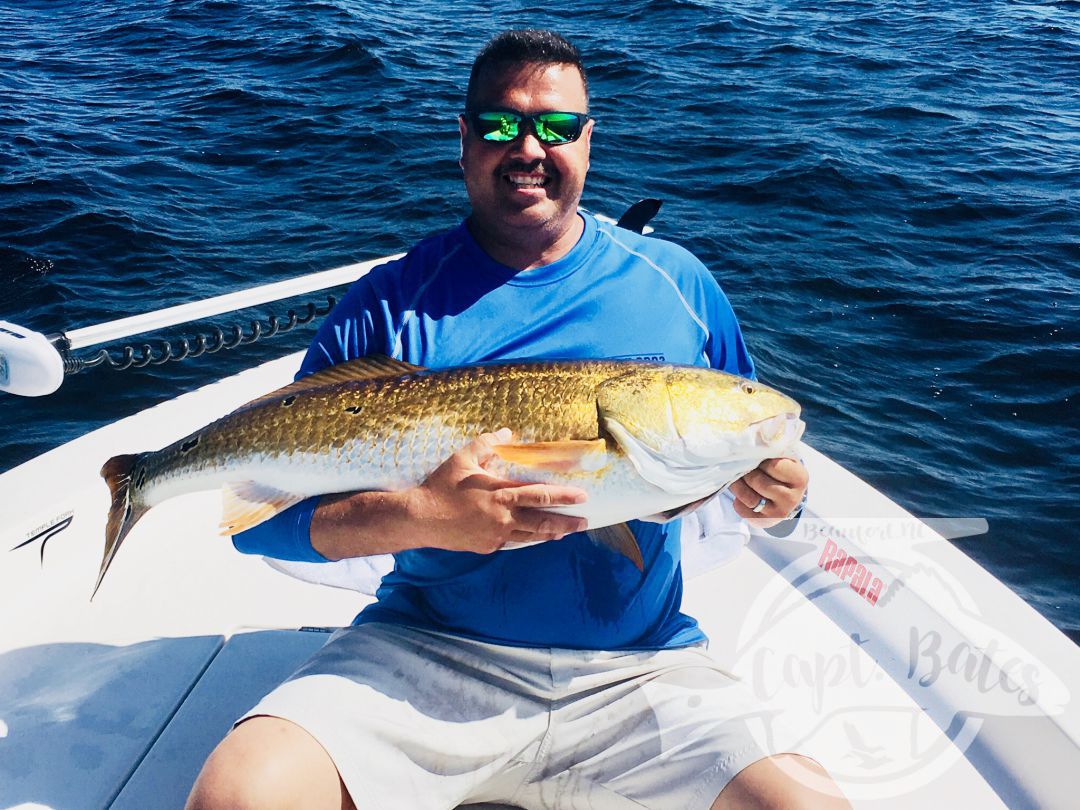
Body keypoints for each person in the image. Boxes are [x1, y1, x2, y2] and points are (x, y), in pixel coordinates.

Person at [187, 29, 847, 810]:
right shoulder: (388, 303)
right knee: (239, 796)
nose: (530, 147)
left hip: (637, 668)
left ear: (589, 142)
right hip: (426, 652)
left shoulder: (679, 284)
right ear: (463, 140)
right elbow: (261, 526)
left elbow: (749, 446)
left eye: (558, 127)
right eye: (502, 125)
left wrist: (780, 494)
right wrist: (419, 515)